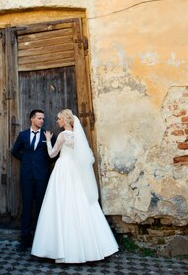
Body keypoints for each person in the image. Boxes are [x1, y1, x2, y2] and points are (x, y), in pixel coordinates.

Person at [31, 109, 118, 263]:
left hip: (63, 170)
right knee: (80, 203)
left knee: (62, 203)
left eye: (58, 119)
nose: (57, 121)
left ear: (64, 120)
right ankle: (93, 248)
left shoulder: (63, 135)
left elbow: (52, 154)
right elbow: (87, 158)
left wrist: (48, 140)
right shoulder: (79, 137)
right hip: (76, 172)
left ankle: (60, 249)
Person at [11, 109, 53, 251]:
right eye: (40, 118)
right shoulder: (22, 135)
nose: (42, 121)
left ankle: (43, 240)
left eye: (43, 119)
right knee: (27, 207)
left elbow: (53, 154)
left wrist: (43, 164)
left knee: (42, 207)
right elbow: (14, 152)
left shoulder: (47, 135)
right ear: (32, 119)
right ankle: (25, 240)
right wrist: (27, 160)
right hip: (27, 176)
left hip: (42, 176)